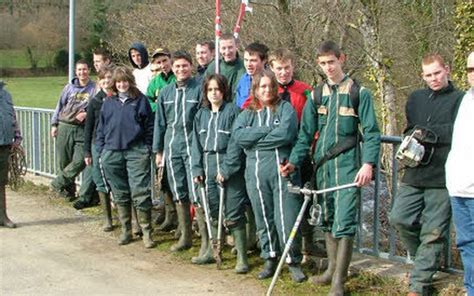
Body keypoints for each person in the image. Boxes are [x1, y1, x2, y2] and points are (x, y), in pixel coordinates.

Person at [281, 40, 381, 294]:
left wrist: (368, 164)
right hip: (323, 168)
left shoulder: (360, 93)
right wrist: (293, 161)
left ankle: (339, 280)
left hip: (349, 167)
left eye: (332, 62)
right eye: (323, 63)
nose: (328, 68)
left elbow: (371, 133)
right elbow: (305, 134)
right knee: (327, 219)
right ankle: (330, 271)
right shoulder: (315, 94)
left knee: (345, 220)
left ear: (341, 59)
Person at [388, 53, 464, 296]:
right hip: (415, 170)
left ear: (447, 70)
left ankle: (418, 286)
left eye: (437, 73)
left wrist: (429, 133)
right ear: (422, 75)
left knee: (434, 231)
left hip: (444, 174)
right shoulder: (416, 98)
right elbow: (410, 128)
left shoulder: (461, 100)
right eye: (428, 75)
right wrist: (417, 135)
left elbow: (459, 132)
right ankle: (425, 264)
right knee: (399, 218)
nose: (433, 78)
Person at [231, 70, 306, 282]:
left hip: (281, 171)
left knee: (286, 217)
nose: (266, 90)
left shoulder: (285, 109)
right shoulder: (247, 113)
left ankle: (292, 261)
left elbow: (286, 133)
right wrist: (266, 132)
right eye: (262, 86)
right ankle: (270, 257)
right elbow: (238, 136)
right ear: (255, 89)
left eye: (270, 86)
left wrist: (254, 140)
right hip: (255, 173)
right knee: (263, 216)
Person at [191, 74, 249, 273]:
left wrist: (227, 169)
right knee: (212, 212)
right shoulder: (201, 115)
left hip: (229, 169)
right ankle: (213, 251)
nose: (214, 93)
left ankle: (242, 257)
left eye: (217, 89)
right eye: (210, 90)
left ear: (223, 91)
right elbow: (196, 145)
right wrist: (197, 169)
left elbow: (236, 143)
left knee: (233, 213)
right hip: (207, 167)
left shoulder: (233, 112)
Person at [96, 66, 155, 249]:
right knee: (120, 194)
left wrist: (147, 147)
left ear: (130, 81)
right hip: (112, 152)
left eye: (125, 81)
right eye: (118, 81)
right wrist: (101, 149)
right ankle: (126, 230)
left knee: (140, 192)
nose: (122, 84)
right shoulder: (108, 102)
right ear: (114, 83)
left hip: (136, 151)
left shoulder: (140, 100)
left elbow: (149, 126)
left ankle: (146, 231)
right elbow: (101, 128)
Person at [153, 50, 202, 252]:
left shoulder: (199, 89)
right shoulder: (165, 93)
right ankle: (185, 236)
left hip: (193, 145)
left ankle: (205, 238)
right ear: (172, 69)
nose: (181, 69)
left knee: (196, 191)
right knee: (178, 189)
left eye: (185, 65)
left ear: (191, 67)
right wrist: (158, 151)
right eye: (177, 66)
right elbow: (160, 123)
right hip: (172, 146)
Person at [50, 60, 97, 206]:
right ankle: (68, 192)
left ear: (89, 70)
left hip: (82, 129)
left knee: (79, 160)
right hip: (65, 125)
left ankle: (57, 182)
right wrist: (54, 124)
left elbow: (96, 106)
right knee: (64, 161)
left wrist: (87, 114)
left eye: (84, 69)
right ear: (76, 72)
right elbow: (60, 106)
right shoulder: (69, 88)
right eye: (79, 70)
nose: (82, 72)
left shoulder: (94, 88)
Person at [446, 51, 474, 296]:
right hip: (459, 186)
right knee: (466, 244)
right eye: (470, 70)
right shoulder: (465, 100)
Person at [84, 64, 114, 232]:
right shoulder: (95, 101)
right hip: (97, 144)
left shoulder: (119, 98)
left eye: (109, 78)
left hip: (115, 144)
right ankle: (107, 218)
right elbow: (88, 128)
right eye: (103, 79)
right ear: (99, 81)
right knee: (100, 180)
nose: (106, 81)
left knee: (118, 180)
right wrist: (87, 151)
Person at [0, 81, 22, 228]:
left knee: (1, 182)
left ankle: (3, 216)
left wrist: (17, 137)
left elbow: (12, 117)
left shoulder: (6, 95)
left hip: (5, 144)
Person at [205, 33, 246, 103]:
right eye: (223, 48)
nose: (227, 52)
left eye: (230, 47)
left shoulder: (245, 67)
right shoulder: (214, 67)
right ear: (219, 49)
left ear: (237, 46)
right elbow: (205, 90)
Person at [235, 42, 269, 109]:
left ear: (264, 61)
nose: (248, 64)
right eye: (246, 60)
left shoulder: (270, 81)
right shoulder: (243, 80)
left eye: (253, 60)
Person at [146, 48, 176, 113]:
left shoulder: (179, 77)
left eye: (164, 60)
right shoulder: (154, 82)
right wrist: (159, 106)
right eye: (159, 62)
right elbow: (147, 103)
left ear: (170, 59)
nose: (162, 65)